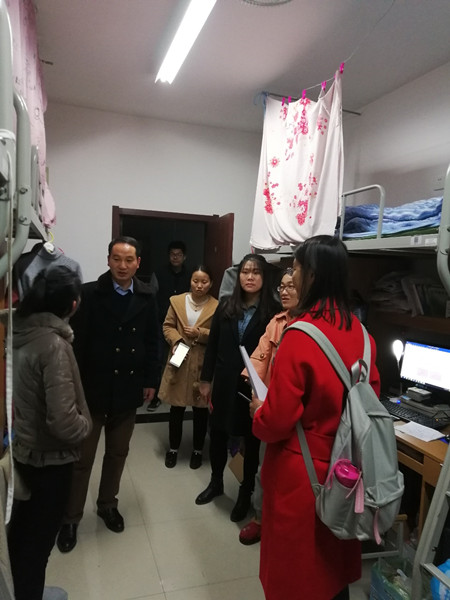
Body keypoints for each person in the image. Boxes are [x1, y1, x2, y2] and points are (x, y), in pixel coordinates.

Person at [251, 235, 381, 600]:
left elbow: (277, 421)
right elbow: (371, 400)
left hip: (302, 474)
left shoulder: (300, 335)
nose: (291, 277)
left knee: (297, 575)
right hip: (349, 472)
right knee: (333, 567)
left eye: (295, 268)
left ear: (311, 274)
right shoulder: (364, 335)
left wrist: (258, 412)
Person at [56, 236, 160, 553]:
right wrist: (72, 386)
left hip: (128, 390)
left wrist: (151, 380)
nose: (122, 265)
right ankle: (70, 518)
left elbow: (153, 342)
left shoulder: (147, 296)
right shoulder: (89, 293)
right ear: (108, 260)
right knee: (81, 459)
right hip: (92, 390)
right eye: (117, 258)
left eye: (129, 260)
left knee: (117, 454)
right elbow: (75, 344)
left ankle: (107, 505)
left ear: (138, 263)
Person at [8, 266, 92, 600]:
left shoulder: (20, 332)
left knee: (21, 535)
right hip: (51, 460)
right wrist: (85, 425)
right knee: (39, 544)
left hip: (24, 449)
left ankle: (22, 591)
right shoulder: (54, 346)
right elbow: (63, 421)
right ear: (72, 304)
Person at [195, 253, 280, 522]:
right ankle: (216, 482)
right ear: (238, 276)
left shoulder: (273, 312)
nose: (250, 277)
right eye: (245, 272)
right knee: (218, 434)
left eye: (256, 272)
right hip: (223, 382)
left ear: (264, 278)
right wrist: (205, 380)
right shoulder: (225, 307)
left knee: (251, 441)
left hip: (253, 387)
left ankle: (246, 492)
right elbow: (213, 346)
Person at [239, 268, 299, 545]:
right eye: (281, 287)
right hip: (271, 405)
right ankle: (260, 517)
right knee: (266, 468)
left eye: (291, 286)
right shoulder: (276, 322)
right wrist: (256, 391)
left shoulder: (310, 326)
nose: (284, 292)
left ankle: (286, 524)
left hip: (297, 410)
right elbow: (259, 359)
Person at [158, 265, 218, 469]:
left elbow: (218, 335)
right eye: (195, 281)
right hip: (180, 354)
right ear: (190, 281)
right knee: (176, 407)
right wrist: (176, 340)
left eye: (204, 282)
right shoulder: (177, 301)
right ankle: (173, 449)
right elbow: (167, 326)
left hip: (202, 359)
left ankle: (197, 450)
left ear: (211, 283)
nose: (199, 285)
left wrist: (200, 333)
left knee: (200, 410)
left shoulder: (217, 306)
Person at [148, 240, 191, 412]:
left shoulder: (191, 274)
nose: (175, 257)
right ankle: (156, 396)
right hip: (161, 323)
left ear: (184, 257)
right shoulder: (159, 273)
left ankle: (174, 392)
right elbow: (151, 296)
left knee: (178, 359)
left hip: (182, 326)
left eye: (179, 255)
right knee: (158, 359)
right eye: (172, 254)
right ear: (169, 256)